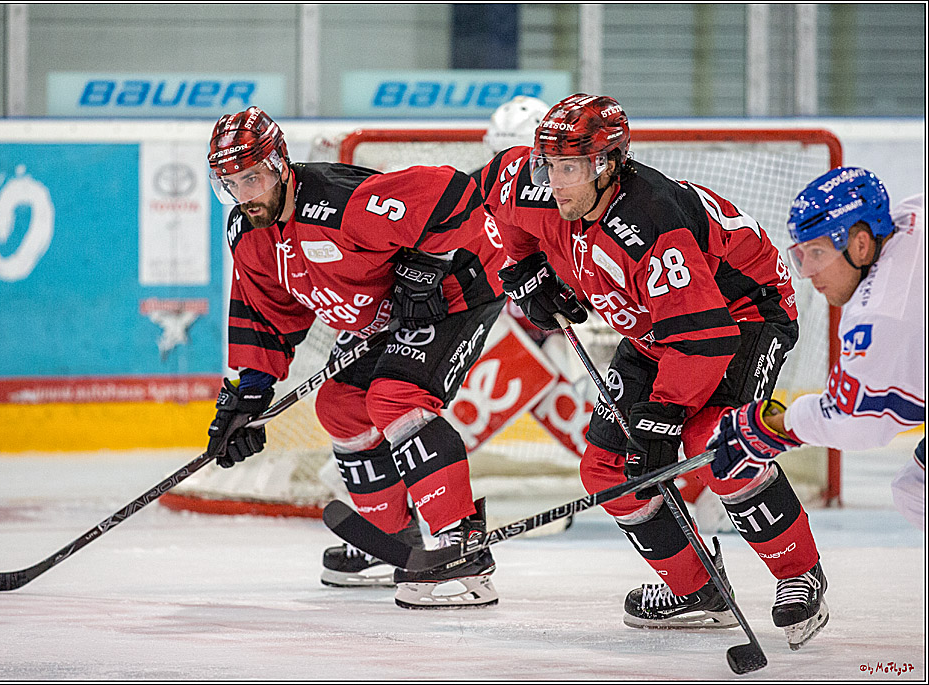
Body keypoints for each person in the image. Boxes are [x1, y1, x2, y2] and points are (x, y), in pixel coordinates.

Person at [480, 93, 828, 650]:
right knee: (606, 468)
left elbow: (702, 338)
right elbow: (497, 201)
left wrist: (663, 416)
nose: (555, 182)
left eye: (569, 168)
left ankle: (799, 573)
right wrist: (523, 269)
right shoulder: (536, 185)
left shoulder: (652, 224)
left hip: (741, 315)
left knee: (717, 442)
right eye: (549, 165)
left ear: (608, 163)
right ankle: (700, 591)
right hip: (658, 325)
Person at [204, 107, 508, 609]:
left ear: (280, 163)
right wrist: (247, 395)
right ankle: (389, 540)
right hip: (389, 314)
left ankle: (461, 551)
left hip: (459, 289)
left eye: (252, 178)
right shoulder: (249, 234)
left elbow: (455, 195)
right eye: (230, 184)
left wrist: (427, 265)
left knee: (397, 398)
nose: (244, 195)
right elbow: (265, 315)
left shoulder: (342, 203)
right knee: (340, 405)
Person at [708, 169, 924, 532]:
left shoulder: (879, 314)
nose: (807, 271)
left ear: (860, 245)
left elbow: (857, 423)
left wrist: (766, 427)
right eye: (802, 254)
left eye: (818, 253)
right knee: (916, 486)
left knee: (917, 492)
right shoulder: (911, 214)